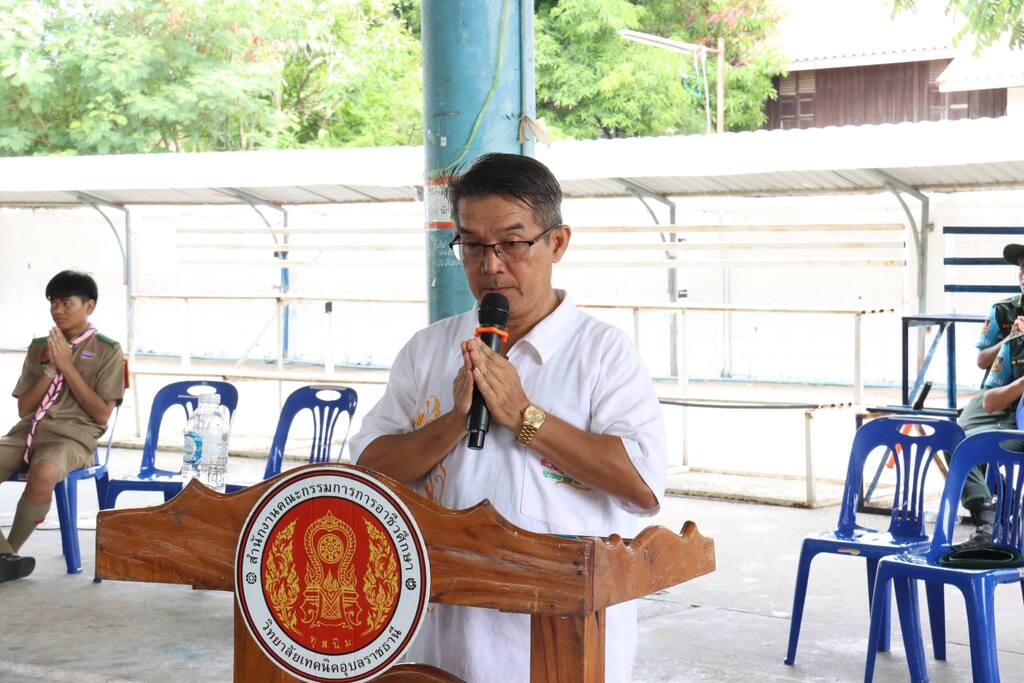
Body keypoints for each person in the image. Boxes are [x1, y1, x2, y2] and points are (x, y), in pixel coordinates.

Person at [350, 153, 667, 682]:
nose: (491, 265)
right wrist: (455, 421)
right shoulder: (428, 350)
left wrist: (525, 417)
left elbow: (643, 486)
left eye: (512, 244)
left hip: (558, 646)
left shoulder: (602, 354)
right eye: (473, 245)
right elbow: (366, 473)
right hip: (440, 640)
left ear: (557, 243)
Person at [0, 270, 124, 582]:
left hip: (73, 437)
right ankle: (4, 557)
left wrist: (67, 367)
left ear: (89, 306)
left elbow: (101, 415)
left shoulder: (107, 350)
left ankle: (9, 551)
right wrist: (50, 370)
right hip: (29, 431)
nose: (58, 310)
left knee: (44, 473)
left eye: (67, 303)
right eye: (53, 303)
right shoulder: (39, 347)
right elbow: (24, 408)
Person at [955, 244, 1024, 545]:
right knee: (957, 435)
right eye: (1021, 270)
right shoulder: (1003, 310)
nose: (1023, 275)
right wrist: (1010, 339)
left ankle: (1005, 509)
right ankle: (986, 513)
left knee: (988, 445)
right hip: (1000, 389)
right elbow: (983, 361)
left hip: (1017, 403)